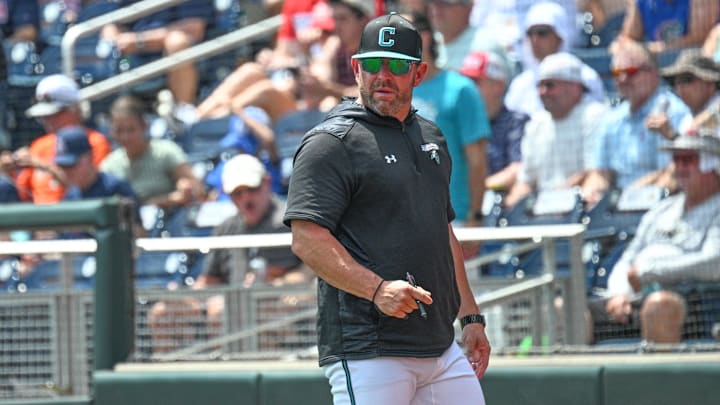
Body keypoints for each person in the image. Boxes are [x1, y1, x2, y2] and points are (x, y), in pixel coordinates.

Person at [283, 13, 490, 404]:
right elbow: (306, 240)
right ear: (356, 67)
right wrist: (376, 290)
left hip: (440, 345)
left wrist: (471, 316)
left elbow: (441, 232)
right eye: (373, 64)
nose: (383, 75)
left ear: (418, 73)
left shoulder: (430, 136)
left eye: (396, 65)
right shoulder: (331, 142)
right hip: (368, 348)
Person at [147, 153, 312, 353]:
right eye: (237, 194)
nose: (245, 199)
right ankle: (171, 381)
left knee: (223, 310)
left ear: (267, 183)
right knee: (162, 313)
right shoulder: (226, 228)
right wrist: (183, 297)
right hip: (230, 305)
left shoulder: (293, 220)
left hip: (284, 310)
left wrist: (278, 285)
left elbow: (312, 271)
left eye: (251, 190)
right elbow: (209, 282)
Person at [592, 133, 720, 344]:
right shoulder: (662, 209)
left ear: (713, 166)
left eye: (688, 160)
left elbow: (714, 263)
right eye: (676, 160)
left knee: (658, 305)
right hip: (633, 298)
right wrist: (618, 293)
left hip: (694, 302)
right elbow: (629, 257)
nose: (679, 167)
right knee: (567, 309)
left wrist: (650, 272)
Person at [582, 40, 692, 206]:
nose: (623, 78)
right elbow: (601, 174)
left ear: (654, 74)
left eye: (631, 72)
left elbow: (671, 173)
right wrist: (592, 194)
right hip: (617, 207)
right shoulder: (612, 119)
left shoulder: (673, 112)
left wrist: (629, 196)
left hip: (659, 203)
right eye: (617, 72)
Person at [410, 12, 490, 231]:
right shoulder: (392, 93)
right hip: (407, 221)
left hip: (456, 219)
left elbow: (477, 160)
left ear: (424, 37)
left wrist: (475, 215)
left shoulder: (461, 89)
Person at [503, 52, 608, 207]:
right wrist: (509, 206)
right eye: (540, 86)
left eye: (550, 85)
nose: (543, 92)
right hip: (541, 212)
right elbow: (526, 182)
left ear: (575, 88)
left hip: (580, 209)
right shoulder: (536, 124)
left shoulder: (595, 116)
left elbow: (596, 175)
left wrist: (556, 198)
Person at [10, 74, 111, 204]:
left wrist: (45, 166)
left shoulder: (95, 142)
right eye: (44, 116)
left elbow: (92, 188)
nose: (48, 121)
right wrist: (10, 172)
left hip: (78, 217)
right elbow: (23, 194)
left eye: (54, 114)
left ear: (74, 109)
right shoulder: (39, 146)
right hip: (39, 219)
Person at [99, 0, 213, 106]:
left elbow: (194, 29)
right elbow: (112, 24)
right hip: (133, 58)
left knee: (177, 42)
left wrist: (140, 41)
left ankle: (183, 114)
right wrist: (113, 36)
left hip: (178, 59)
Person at [100, 94, 205, 208]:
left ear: (144, 126)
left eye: (131, 130)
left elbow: (196, 188)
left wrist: (186, 188)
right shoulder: (109, 166)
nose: (125, 137)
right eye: (119, 131)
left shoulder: (166, 151)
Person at [504, 2, 605, 117]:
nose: (535, 39)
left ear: (559, 36)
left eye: (542, 32)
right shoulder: (520, 85)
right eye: (530, 33)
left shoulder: (585, 78)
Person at [460, 50, 529, 192]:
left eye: (475, 82)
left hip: (502, 205)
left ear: (498, 86)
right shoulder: (458, 123)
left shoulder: (517, 123)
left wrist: (476, 190)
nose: (468, 88)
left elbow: (519, 169)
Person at [618, 0, 719, 54]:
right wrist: (638, 49)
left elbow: (700, 37)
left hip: (702, 67)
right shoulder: (641, 2)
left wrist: (657, 49)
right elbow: (626, 39)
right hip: (658, 71)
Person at [658, 49, 720, 135]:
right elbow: (690, 137)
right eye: (675, 83)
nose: (680, 88)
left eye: (686, 80)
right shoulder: (687, 120)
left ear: (710, 82)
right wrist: (672, 135)